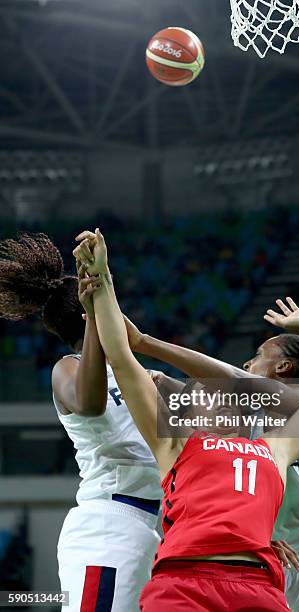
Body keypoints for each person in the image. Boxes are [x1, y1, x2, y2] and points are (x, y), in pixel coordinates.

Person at [75, 227, 299, 612]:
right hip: (184, 582)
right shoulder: (175, 445)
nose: (213, 395)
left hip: (263, 584)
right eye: (201, 395)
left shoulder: (275, 447)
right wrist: (102, 281)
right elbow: (122, 359)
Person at [122, 294, 299, 611]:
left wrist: (144, 343)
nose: (247, 363)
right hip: (268, 564)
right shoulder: (248, 422)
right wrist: (156, 379)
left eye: (258, 356)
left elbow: (233, 380)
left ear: (283, 366)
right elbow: (201, 396)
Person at [0, 233, 162, 612]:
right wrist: (95, 322)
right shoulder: (66, 369)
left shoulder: (140, 375)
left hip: (154, 527)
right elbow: (89, 406)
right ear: (93, 315)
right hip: (108, 525)